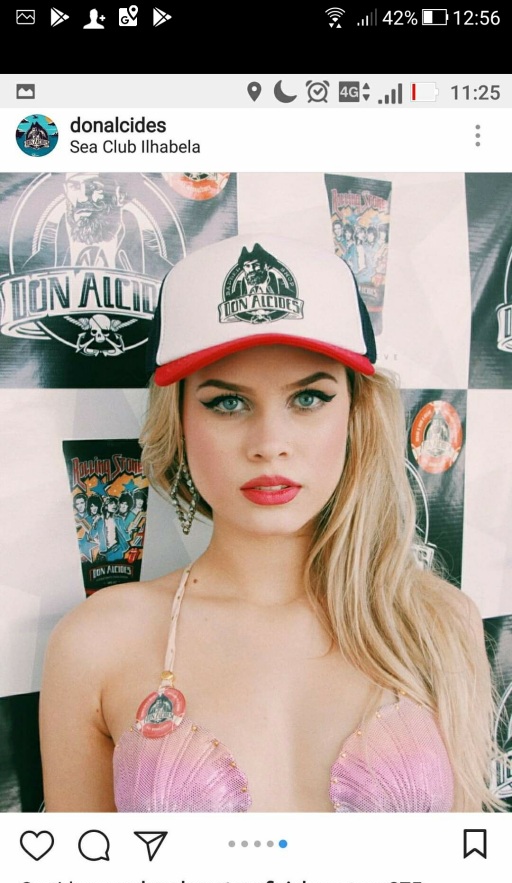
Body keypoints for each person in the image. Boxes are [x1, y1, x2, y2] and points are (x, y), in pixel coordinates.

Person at [40, 233, 500, 813]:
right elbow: (83, 872)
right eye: (227, 402)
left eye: (308, 399)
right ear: (179, 420)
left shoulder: (437, 622)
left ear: (356, 413)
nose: (270, 443)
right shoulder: (96, 643)